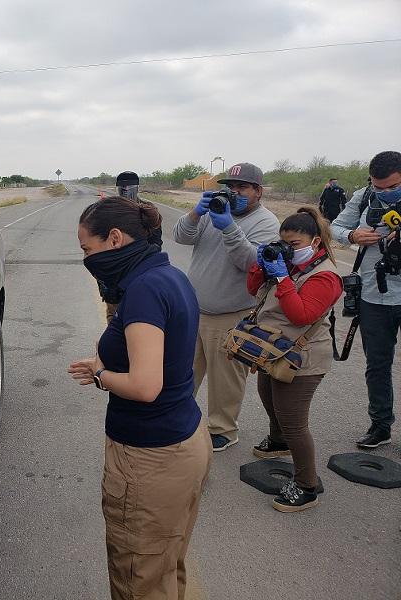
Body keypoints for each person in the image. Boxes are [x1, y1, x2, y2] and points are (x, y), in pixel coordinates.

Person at [68, 197, 211, 600]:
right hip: (183, 438)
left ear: (114, 238)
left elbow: (146, 386)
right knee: (166, 564)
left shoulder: (145, 290)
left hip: (151, 456)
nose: (86, 259)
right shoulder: (168, 275)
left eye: (87, 249)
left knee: (139, 578)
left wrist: (100, 375)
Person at [173, 162, 280, 451]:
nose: (234, 193)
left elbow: (251, 264)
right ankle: (178, 417)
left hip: (231, 313)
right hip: (195, 309)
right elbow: (181, 236)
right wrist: (197, 213)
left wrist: (230, 228)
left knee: (226, 380)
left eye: (242, 188)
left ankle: (223, 429)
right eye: (230, 187)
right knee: (183, 370)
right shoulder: (216, 210)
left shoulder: (266, 222)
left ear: (258, 191)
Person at [247, 208, 343, 512]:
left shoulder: (325, 275)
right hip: (274, 347)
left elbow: (301, 315)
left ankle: (306, 485)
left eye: (295, 244)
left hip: (304, 357)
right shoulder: (291, 264)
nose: (289, 249)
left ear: (315, 241)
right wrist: (260, 266)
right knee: (267, 395)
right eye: (284, 243)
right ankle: (278, 442)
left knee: (293, 420)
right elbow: (253, 292)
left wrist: (282, 276)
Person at [331, 150, 401, 448]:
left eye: (392, 187)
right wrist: (352, 236)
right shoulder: (362, 197)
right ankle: (380, 426)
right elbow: (333, 226)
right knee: (378, 365)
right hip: (375, 295)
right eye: (378, 187)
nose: (384, 193)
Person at [96, 172, 163, 323]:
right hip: (115, 278)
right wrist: (105, 283)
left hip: (140, 278)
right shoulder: (108, 211)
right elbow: (98, 249)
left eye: (130, 188)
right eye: (123, 188)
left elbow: (156, 247)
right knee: (114, 329)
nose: (126, 192)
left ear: (137, 188)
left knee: (139, 324)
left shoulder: (148, 211)